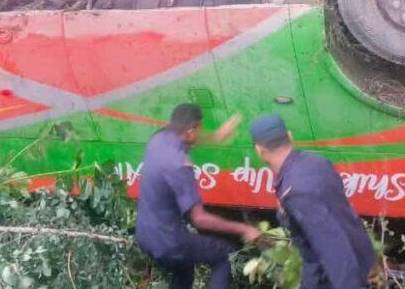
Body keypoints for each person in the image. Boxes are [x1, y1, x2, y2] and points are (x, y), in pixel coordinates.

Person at [136, 103, 261, 289]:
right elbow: (199, 219)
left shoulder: (157, 139)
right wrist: (245, 229)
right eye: (199, 129)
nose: (199, 133)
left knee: (183, 269)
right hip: (169, 242)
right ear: (190, 130)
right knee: (223, 254)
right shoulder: (180, 165)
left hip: (145, 237)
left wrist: (215, 137)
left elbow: (188, 138)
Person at [250, 113, 376, 289]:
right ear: (290, 136)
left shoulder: (296, 191)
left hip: (331, 277)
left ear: (259, 150)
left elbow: (334, 247)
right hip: (361, 257)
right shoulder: (316, 162)